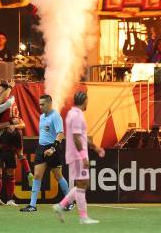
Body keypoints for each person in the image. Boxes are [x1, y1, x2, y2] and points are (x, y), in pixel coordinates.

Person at [53, 91, 105, 224]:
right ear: (84, 101)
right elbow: (76, 138)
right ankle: (83, 217)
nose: (88, 102)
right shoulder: (77, 116)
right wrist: (83, 157)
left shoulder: (73, 113)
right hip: (77, 156)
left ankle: (61, 206)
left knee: (83, 184)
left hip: (75, 155)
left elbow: (81, 137)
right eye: (87, 100)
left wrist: (95, 148)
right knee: (82, 184)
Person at [21, 94, 72, 212]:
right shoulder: (41, 116)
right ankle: (32, 205)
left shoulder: (56, 116)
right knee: (37, 176)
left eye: (42, 104)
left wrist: (52, 149)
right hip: (41, 147)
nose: (40, 106)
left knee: (58, 175)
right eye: (39, 104)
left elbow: (60, 134)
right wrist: (43, 148)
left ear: (49, 104)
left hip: (53, 148)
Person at [0, 89, 31, 206]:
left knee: (11, 173)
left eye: (0, 90)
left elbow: (23, 124)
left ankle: (10, 199)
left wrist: (13, 125)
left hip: (10, 147)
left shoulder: (10, 107)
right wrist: (9, 124)